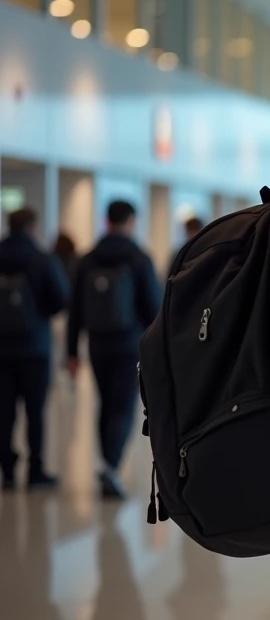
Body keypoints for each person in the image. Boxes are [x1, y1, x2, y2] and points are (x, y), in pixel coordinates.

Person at [67, 200, 162, 499]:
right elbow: (154, 308)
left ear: (107, 221)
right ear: (130, 221)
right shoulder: (138, 258)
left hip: (97, 344)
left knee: (106, 403)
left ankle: (107, 463)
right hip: (127, 345)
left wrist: (71, 351)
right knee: (122, 406)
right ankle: (111, 465)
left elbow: (75, 309)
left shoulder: (88, 259)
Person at [0, 208, 69, 491]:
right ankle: (35, 470)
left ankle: (6, 471)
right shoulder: (41, 259)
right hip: (35, 347)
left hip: (1, 349)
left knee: (4, 412)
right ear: (32, 227)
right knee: (35, 411)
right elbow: (61, 298)